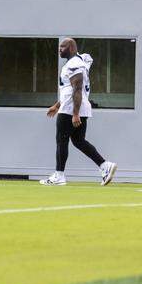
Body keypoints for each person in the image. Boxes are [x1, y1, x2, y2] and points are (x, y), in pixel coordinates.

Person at [40, 38, 118, 186]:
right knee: (78, 141)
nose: (59, 50)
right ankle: (105, 165)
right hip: (77, 107)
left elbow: (77, 89)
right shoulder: (76, 62)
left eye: (62, 47)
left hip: (71, 109)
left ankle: (59, 175)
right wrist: (57, 105)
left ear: (71, 48)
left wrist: (75, 113)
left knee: (61, 140)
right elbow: (71, 90)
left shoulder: (74, 64)